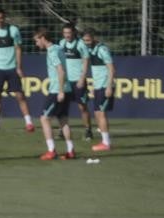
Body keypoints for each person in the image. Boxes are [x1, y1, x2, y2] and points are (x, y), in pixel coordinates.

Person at [0, 8, 33, 133]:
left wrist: (19, 67)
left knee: (20, 95)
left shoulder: (13, 30)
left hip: (12, 68)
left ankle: (29, 123)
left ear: (5, 18)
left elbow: (18, 49)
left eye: (1, 18)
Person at [33, 28, 75, 160]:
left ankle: (51, 151)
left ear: (43, 38)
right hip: (66, 88)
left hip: (58, 90)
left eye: (37, 40)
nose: (36, 44)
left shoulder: (52, 52)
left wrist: (60, 91)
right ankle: (70, 150)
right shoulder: (58, 47)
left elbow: (61, 71)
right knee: (63, 120)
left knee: (44, 118)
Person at [83, 28, 115, 151]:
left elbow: (111, 69)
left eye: (88, 40)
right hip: (98, 86)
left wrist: (109, 86)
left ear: (94, 38)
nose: (86, 42)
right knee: (97, 113)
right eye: (84, 40)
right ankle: (104, 140)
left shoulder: (102, 50)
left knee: (101, 114)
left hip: (104, 85)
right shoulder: (90, 49)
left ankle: (106, 143)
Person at [60, 23, 93, 140]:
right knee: (63, 106)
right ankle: (62, 130)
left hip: (78, 80)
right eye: (65, 33)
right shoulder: (62, 43)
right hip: (66, 81)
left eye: (69, 33)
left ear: (73, 32)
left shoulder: (80, 44)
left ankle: (88, 130)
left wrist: (82, 78)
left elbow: (86, 61)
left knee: (82, 107)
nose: (67, 35)